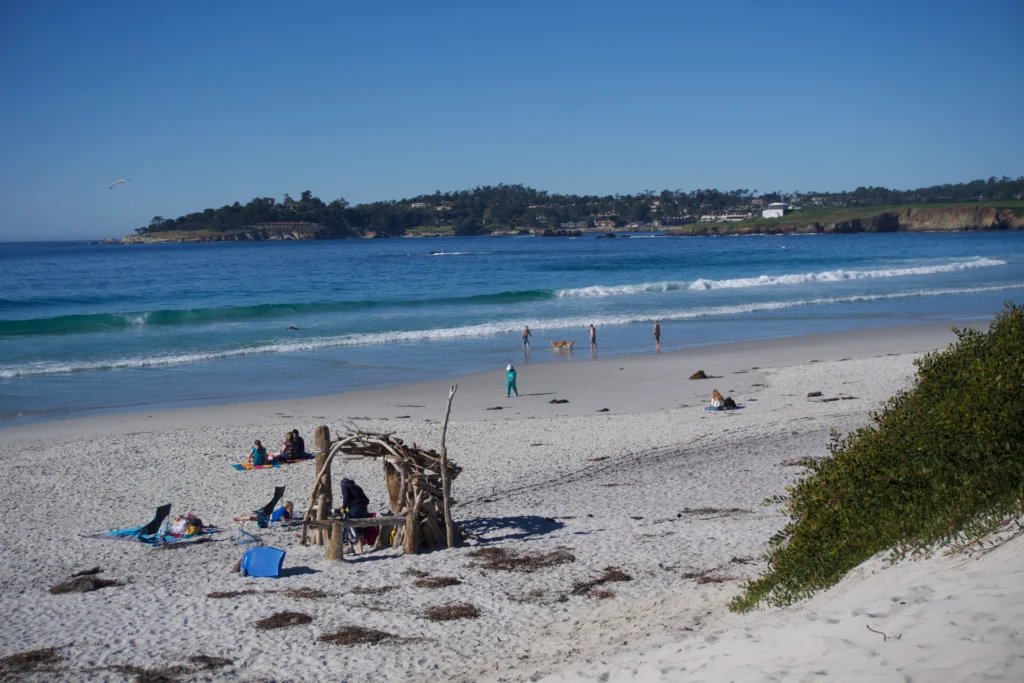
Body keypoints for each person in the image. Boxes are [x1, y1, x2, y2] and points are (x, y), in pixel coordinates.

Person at [339, 478, 370, 554]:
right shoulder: (357, 487)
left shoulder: (345, 486)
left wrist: (343, 507)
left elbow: (346, 497)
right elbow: (367, 499)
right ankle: (360, 549)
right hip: (364, 508)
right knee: (360, 527)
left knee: (348, 526)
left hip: (355, 508)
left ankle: (351, 547)